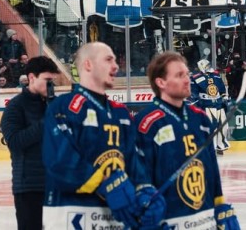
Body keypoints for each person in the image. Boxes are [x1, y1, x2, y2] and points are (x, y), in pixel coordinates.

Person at [41, 42, 165, 229]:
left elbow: (133, 162)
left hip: (113, 219)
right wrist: (105, 181)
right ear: (88, 65)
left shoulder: (121, 113)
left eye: (115, 60)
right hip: (72, 215)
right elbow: (59, 162)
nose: (116, 66)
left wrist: (145, 190)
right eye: (108, 59)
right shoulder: (63, 107)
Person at [134, 52, 240, 229]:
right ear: (161, 82)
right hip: (170, 219)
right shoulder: (146, 123)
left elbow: (211, 170)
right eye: (179, 75)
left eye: (186, 74)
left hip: (204, 220)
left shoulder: (200, 119)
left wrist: (220, 205)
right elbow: (138, 177)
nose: (187, 80)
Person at [1, 56, 60, 230]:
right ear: (32, 78)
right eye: (47, 81)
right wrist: (46, 122)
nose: (51, 87)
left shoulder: (56, 105)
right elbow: (15, 142)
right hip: (29, 187)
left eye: (53, 82)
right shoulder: (15, 106)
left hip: (58, 184)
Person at [190, 58, 230, 153]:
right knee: (210, 127)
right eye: (207, 65)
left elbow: (222, 89)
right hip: (206, 105)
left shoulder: (216, 76)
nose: (209, 67)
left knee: (223, 126)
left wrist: (224, 98)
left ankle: (220, 146)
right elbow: (193, 93)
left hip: (218, 104)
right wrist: (198, 103)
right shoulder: (195, 78)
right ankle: (209, 147)